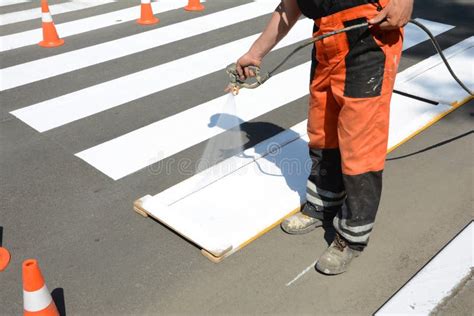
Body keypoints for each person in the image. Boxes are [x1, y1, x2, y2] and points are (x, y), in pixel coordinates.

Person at [232, 0, 413, 275]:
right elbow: (289, 5)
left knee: (360, 141)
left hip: (368, 33)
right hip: (326, 37)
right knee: (322, 129)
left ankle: (352, 234)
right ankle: (322, 204)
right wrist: (255, 54)